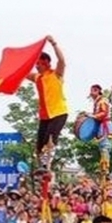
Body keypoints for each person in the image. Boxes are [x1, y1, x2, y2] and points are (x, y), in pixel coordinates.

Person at [26, 36, 67, 172]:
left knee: (50, 139)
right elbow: (24, 72)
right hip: (44, 116)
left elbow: (62, 60)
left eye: (39, 64)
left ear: (46, 63)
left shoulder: (56, 74)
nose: (37, 66)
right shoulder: (37, 77)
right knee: (39, 145)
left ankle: (45, 165)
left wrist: (54, 43)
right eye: (36, 64)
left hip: (59, 112)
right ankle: (41, 167)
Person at [87, 84, 112, 175]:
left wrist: (93, 116)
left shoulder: (102, 100)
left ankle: (105, 167)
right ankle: (103, 166)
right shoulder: (97, 102)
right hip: (101, 126)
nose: (91, 93)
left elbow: (104, 113)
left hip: (105, 126)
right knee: (102, 147)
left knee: (105, 147)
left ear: (98, 91)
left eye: (93, 90)